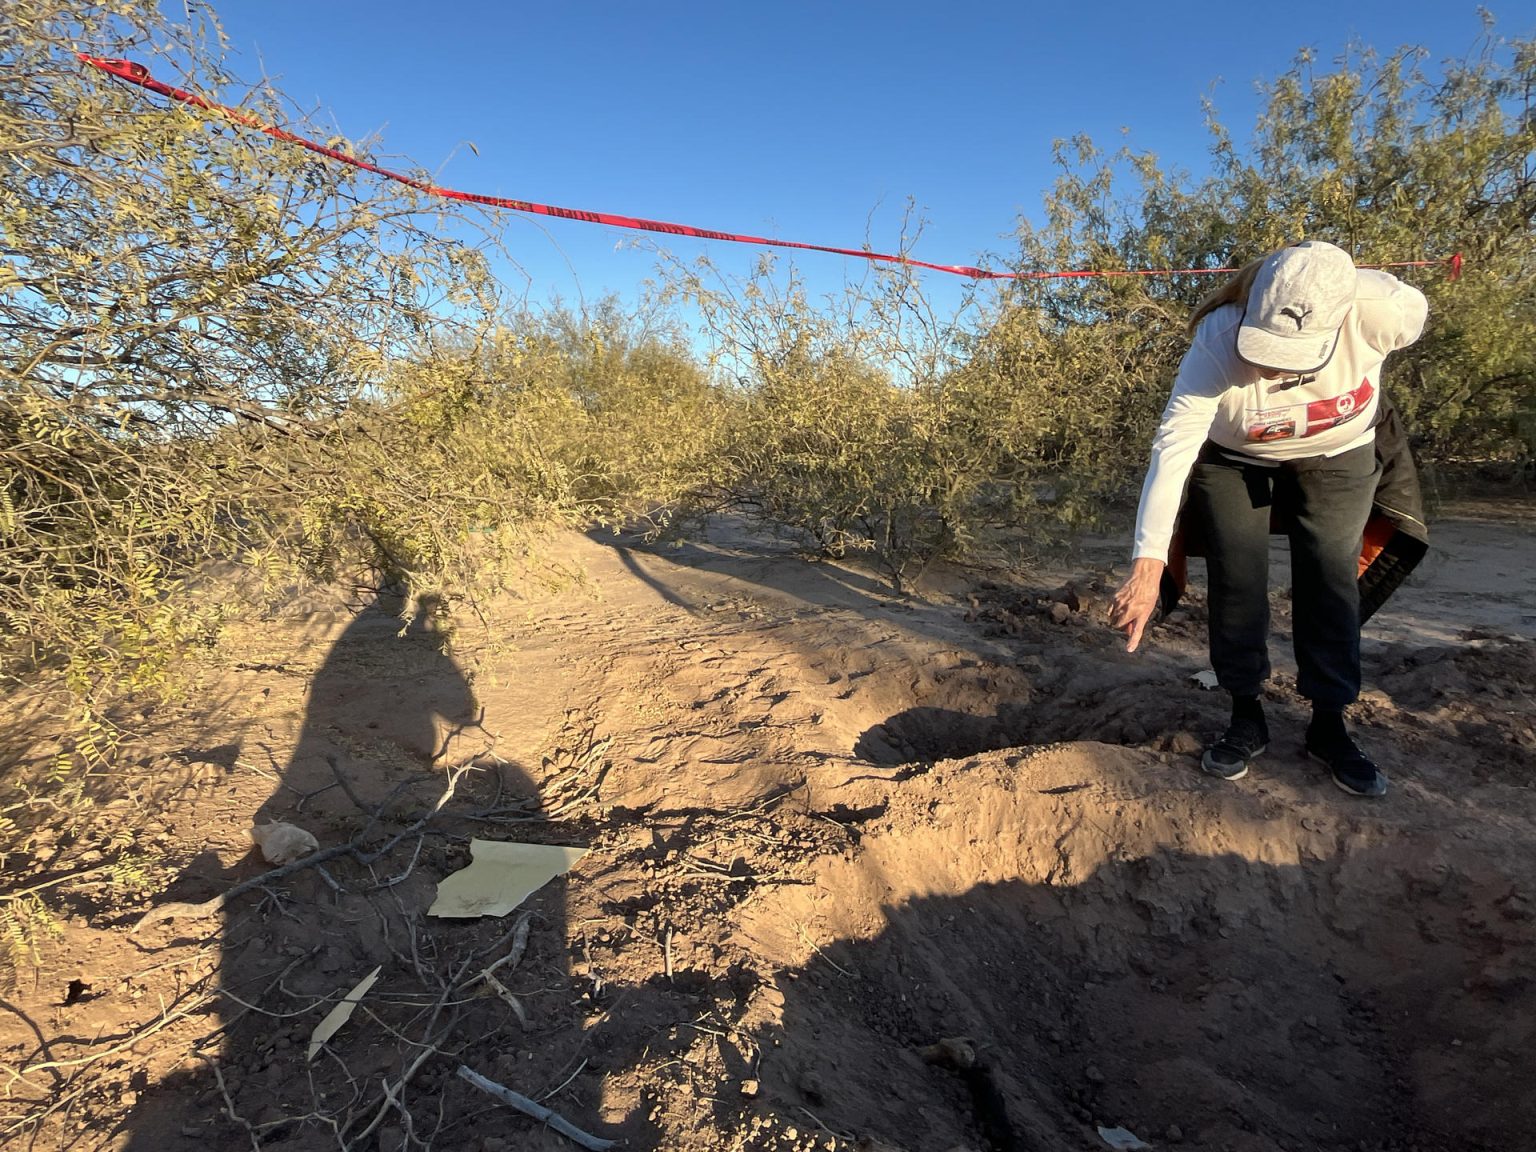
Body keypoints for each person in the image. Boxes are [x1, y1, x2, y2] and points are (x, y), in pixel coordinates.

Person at [1109, 240, 1428, 797]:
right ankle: (1244, 714)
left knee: (1330, 578)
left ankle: (1329, 726)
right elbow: (1174, 448)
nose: (1271, 365)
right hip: (1234, 460)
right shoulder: (1218, 340)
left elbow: (1398, 307)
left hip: (1341, 452)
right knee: (1236, 579)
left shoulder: (1383, 310)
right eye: (1266, 344)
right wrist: (1146, 565)